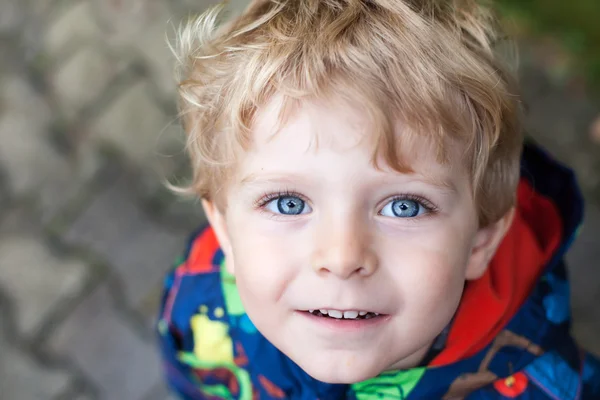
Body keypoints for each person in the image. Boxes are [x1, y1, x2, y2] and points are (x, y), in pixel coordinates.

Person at [156, 0, 600, 398]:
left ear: (481, 240)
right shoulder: (199, 301)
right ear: (224, 230)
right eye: (288, 203)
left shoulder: (546, 388)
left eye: (403, 206)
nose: (343, 256)